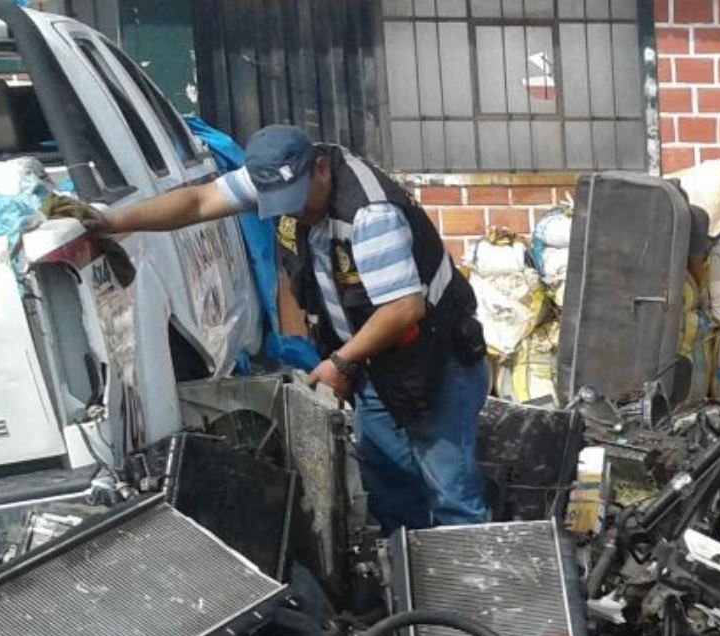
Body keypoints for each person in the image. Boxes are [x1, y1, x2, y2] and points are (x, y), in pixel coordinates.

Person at [97, 124, 490, 535]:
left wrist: (340, 361)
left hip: (434, 359)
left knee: (450, 493)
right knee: (388, 482)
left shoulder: (370, 212)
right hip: (376, 364)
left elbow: (403, 308)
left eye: (298, 201)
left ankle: (477, 589)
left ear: (320, 169)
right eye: (282, 204)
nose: (295, 212)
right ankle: (411, 583)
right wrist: (109, 221)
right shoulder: (277, 175)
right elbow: (197, 202)